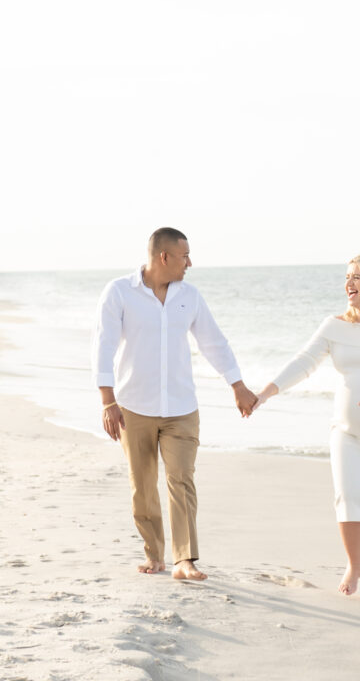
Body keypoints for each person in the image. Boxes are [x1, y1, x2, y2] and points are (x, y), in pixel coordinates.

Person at [255, 252, 360, 602]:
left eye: (356, 277)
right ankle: (353, 564)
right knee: (347, 495)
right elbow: (304, 362)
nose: (348, 283)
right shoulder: (335, 325)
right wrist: (266, 392)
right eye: (347, 276)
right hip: (346, 430)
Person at [92, 227, 257, 581]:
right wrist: (108, 401)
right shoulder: (119, 292)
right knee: (143, 484)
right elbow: (103, 345)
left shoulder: (190, 296)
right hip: (133, 406)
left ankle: (185, 560)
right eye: (185, 256)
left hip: (182, 407)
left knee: (182, 479)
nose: (190, 263)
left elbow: (214, 342)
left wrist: (238, 385)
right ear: (163, 257)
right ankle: (155, 555)